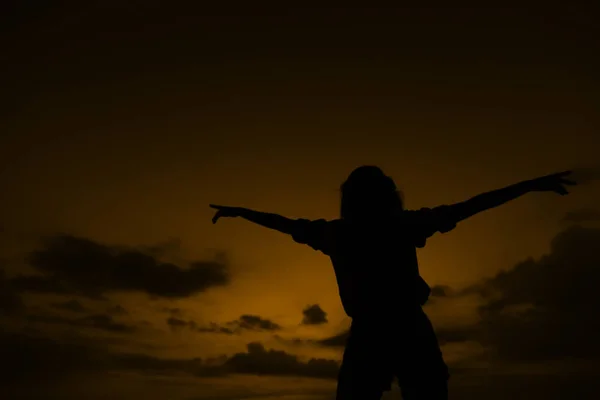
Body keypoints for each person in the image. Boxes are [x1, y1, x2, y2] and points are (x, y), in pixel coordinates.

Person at [210, 166, 576, 400]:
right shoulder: (396, 226)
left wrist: (243, 213)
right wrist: (530, 185)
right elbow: (472, 205)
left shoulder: (339, 233)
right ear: (389, 197)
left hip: (382, 331)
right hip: (402, 328)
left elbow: (284, 223)